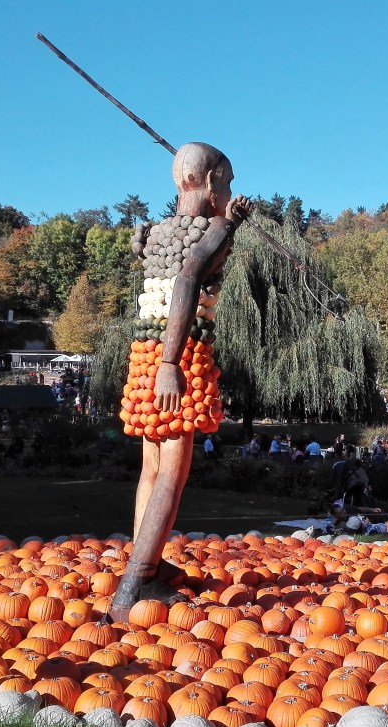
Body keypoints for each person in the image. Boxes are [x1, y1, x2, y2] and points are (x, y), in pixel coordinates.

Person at [109, 142, 253, 622]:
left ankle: (144, 563)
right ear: (212, 183)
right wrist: (229, 225)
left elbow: (167, 271)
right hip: (177, 358)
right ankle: (135, 585)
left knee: (150, 467)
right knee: (173, 469)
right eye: (227, 182)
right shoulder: (209, 230)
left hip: (143, 358)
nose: (230, 190)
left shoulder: (154, 233)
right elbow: (188, 283)